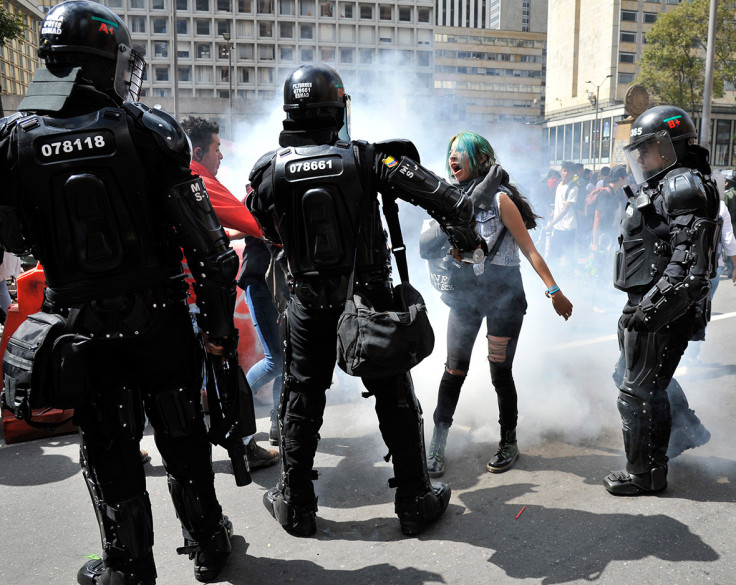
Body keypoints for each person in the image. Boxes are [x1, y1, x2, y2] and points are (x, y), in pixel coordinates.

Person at [0, 3, 239, 583]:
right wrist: (217, 332)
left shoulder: (14, 140)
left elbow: (14, 239)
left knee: (108, 446)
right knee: (183, 435)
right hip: (158, 320)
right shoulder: (147, 130)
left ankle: (128, 567)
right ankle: (208, 544)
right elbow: (211, 251)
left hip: (80, 325)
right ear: (105, 61)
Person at [247, 63, 482, 538]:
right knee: (393, 395)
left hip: (308, 303)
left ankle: (295, 504)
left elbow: (266, 228)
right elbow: (450, 199)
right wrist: (466, 242)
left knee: (300, 395)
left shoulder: (268, 170)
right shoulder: (370, 158)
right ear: (336, 108)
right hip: (370, 301)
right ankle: (414, 500)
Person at [419, 131, 573, 477]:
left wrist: (554, 290)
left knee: (499, 373)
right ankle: (436, 446)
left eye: (461, 152)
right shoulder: (449, 197)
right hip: (465, 298)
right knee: (453, 371)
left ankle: (509, 442)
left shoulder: (502, 200)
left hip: (504, 297)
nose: (452, 158)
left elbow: (529, 249)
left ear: (481, 158)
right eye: (450, 153)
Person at [604, 105, 721, 496]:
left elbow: (689, 267)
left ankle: (644, 474)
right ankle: (684, 431)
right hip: (646, 301)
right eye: (637, 149)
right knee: (636, 379)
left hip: (662, 308)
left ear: (671, 146)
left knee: (636, 392)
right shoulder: (665, 183)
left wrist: (649, 311)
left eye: (648, 146)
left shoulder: (682, 185)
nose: (640, 156)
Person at [181, 116, 279, 468]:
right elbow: (253, 222)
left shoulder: (175, 173)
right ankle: (244, 446)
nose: (221, 156)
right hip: (193, 299)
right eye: (217, 149)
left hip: (172, 296)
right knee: (222, 372)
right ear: (198, 151)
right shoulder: (197, 178)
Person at [545, 161, 579, 272]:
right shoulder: (559, 184)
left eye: (569, 171)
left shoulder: (573, 188)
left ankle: (568, 277)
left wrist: (551, 224)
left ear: (573, 173)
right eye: (564, 170)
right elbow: (559, 204)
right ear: (561, 171)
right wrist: (553, 212)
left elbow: (565, 210)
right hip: (558, 226)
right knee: (554, 253)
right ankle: (555, 275)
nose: (566, 173)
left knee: (568, 254)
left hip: (568, 227)